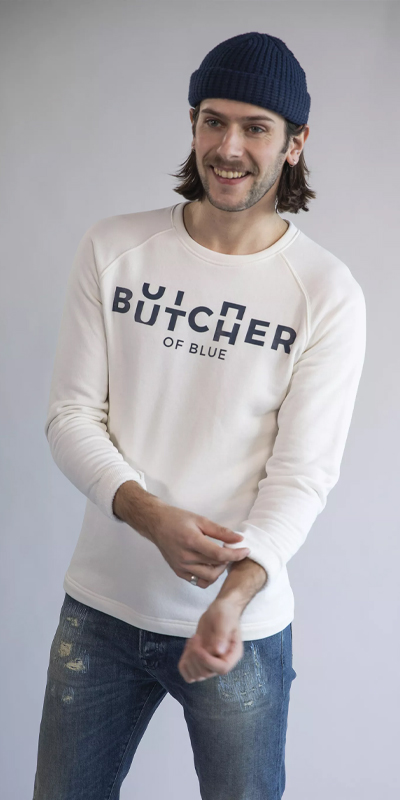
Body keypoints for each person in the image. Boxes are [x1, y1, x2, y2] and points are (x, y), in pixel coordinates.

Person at [32, 31, 366, 800]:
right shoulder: (116, 248)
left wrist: (234, 594)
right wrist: (150, 516)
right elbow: (72, 416)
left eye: (256, 127)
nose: (229, 147)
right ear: (192, 125)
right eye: (214, 121)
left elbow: (303, 475)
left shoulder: (325, 291)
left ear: (295, 142)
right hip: (101, 612)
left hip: (238, 626)